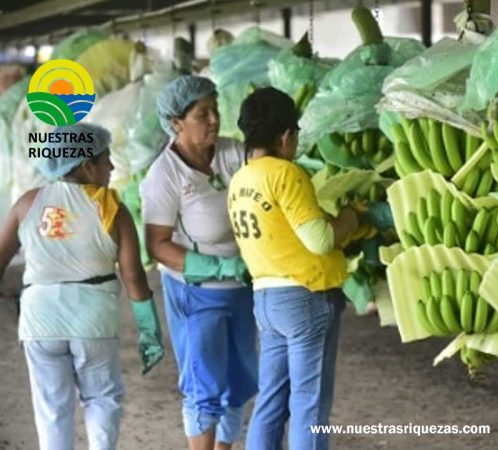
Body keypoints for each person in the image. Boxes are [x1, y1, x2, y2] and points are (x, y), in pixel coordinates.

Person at [0, 123, 164, 450]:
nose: (112, 168)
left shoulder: (27, 203)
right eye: (106, 160)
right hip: (92, 318)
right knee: (102, 398)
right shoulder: (111, 209)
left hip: (39, 320)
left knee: (51, 409)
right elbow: (133, 276)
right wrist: (150, 329)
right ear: (87, 165)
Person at [230, 87, 360, 450]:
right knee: (309, 406)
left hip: (267, 300)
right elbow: (319, 239)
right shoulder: (286, 174)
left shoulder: (241, 179)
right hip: (305, 298)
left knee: (270, 403)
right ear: (286, 135)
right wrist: (352, 216)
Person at [141, 75, 257, 450]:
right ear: (176, 122)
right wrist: (218, 268)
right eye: (202, 114)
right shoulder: (165, 174)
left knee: (239, 381)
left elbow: (268, 176)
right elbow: (157, 245)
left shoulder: (232, 152)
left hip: (242, 288)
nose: (213, 120)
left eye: (215, 110)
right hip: (196, 292)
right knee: (203, 384)